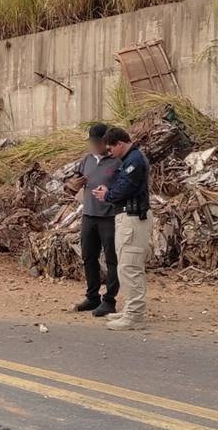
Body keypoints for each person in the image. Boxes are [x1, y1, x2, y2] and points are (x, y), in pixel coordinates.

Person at [92, 127, 152, 331]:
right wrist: (110, 193)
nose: (110, 153)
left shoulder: (134, 160)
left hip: (134, 218)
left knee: (130, 267)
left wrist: (107, 196)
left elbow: (124, 187)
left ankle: (135, 316)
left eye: (111, 149)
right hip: (127, 217)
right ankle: (131, 310)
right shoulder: (129, 160)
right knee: (126, 266)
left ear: (120, 143)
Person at [66, 123, 120, 317]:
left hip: (110, 217)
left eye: (98, 142)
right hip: (89, 214)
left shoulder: (117, 161)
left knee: (112, 259)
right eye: (92, 142)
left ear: (106, 142)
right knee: (89, 256)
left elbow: (125, 187)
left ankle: (110, 300)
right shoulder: (87, 160)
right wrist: (73, 184)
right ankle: (92, 297)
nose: (95, 146)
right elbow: (71, 185)